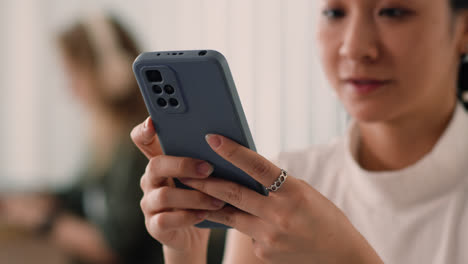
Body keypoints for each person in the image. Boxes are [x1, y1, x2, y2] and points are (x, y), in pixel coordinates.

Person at [131, 0, 468, 263]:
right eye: (335, 12)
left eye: (393, 11)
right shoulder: (287, 185)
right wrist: (185, 256)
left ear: (464, 28)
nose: (354, 47)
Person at [1, 15, 163, 264]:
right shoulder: (105, 139)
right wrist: (19, 200)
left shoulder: (141, 146)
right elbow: (78, 195)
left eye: (74, 74)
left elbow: (113, 248)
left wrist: (43, 220)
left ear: (110, 74)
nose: (69, 88)